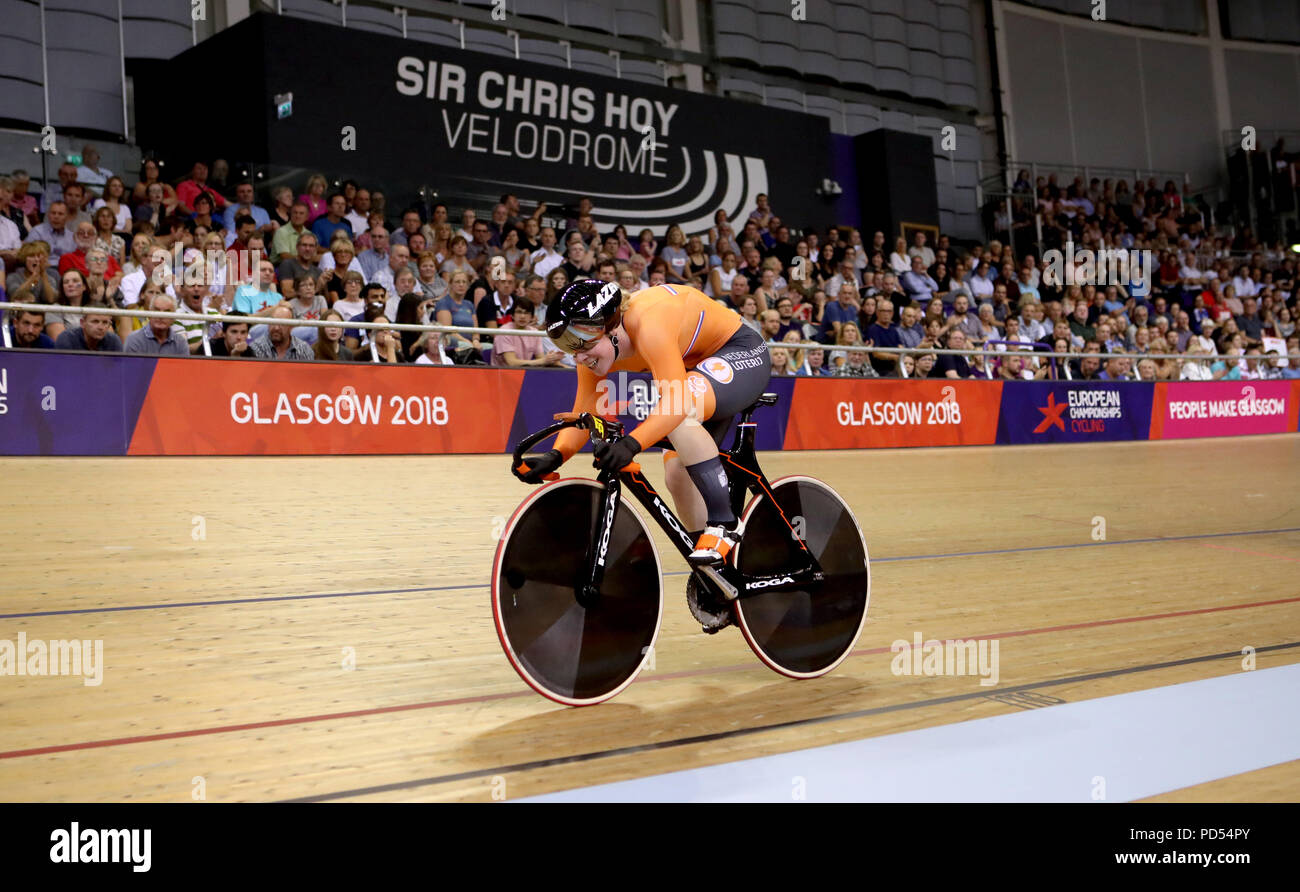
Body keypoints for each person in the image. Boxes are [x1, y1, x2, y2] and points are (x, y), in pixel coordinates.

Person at [516, 280, 772, 592]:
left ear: (609, 327)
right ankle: (713, 575)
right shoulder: (592, 350)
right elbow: (586, 409)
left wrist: (632, 443)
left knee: (679, 413)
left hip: (740, 351)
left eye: (580, 343)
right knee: (678, 475)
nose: (577, 356)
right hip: (695, 368)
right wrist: (556, 456)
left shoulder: (649, 322)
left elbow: (676, 402)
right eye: (567, 346)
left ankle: (724, 524)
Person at [490, 297, 565, 367]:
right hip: (501, 376)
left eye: (526, 313)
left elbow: (541, 358)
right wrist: (543, 360)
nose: (522, 316)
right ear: (512, 315)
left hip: (524, 374)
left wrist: (552, 358)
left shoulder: (534, 332)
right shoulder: (504, 332)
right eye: (519, 312)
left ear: (532, 317)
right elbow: (511, 363)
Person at [124, 294, 189, 355]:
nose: (161, 316)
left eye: (167, 312)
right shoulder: (134, 339)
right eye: (157, 310)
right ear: (149, 314)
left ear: (173, 319)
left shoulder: (180, 343)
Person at [54, 309, 120, 352]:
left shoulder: (113, 341)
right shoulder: (67, 339)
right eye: (95, 321)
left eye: (105, 322)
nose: (100, 327)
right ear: (82, 323)